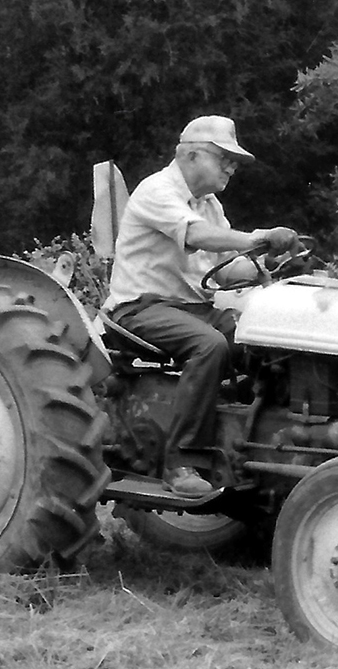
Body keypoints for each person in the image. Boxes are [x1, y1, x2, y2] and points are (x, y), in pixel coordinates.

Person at [103, 115, 299, 497]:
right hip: (140, 308)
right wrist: (257, 236)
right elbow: (197, 237)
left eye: (235, 161)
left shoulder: (209, 205)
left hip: (191, 307)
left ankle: (264, 447)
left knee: (263, 343)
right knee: (210, 345)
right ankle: (181, 461)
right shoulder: (156, 191)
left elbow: (224, 272)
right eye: (223, 157)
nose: (231, 166)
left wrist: (272, 264)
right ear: (191, 155)